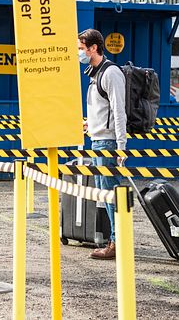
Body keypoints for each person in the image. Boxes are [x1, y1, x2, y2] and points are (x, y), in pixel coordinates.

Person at [78, 29, 127, 260]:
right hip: (97, 139)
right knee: (105, 194)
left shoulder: (111, 73)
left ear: (93, 48)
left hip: (107, 143)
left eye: (81, 48)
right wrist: (91, 124)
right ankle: (115, 240)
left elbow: (119, 111)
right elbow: (102, 109)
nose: (80, 52)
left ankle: (118, 243)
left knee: (110, 193)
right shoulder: (94, 73)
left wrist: (121, 146)